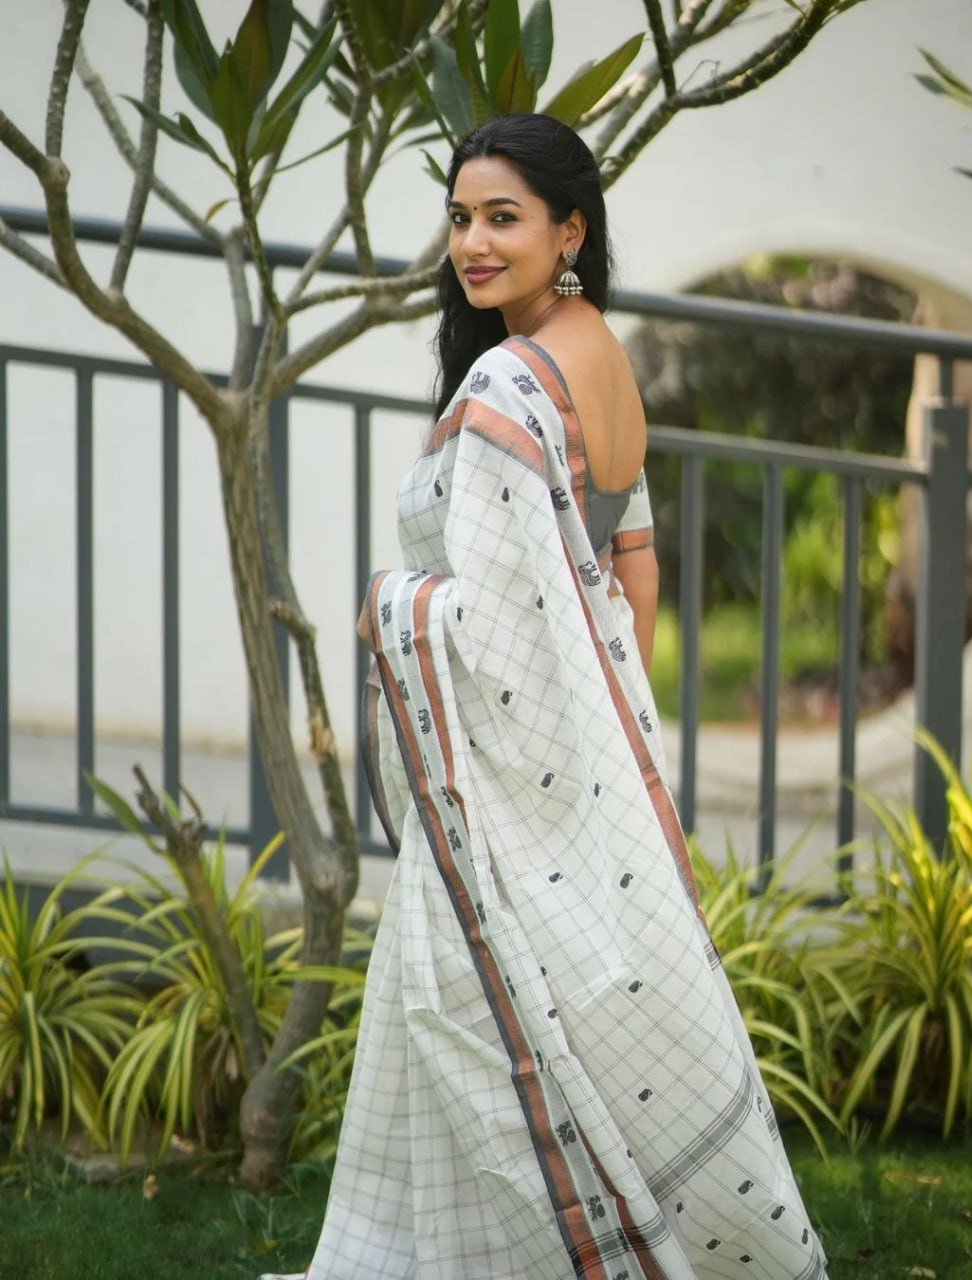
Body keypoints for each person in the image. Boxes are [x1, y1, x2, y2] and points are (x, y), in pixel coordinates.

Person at [266, 113, 827, 1280]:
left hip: (504, 783)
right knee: (589, 1026)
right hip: (572, 765)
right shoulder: (599, 353)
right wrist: (611, 721)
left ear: (570, 228)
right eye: (461, 217)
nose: (471, 241)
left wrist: (392, 608)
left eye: (502, 217)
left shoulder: (513, 380)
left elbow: (507, 629)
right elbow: (633, 562)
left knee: (482, 1033)